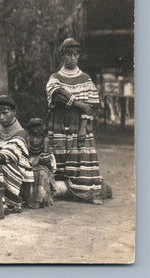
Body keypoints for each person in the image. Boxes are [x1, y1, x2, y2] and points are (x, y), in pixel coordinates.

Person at [46, 38, 103, 205]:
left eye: (75, 54)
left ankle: (85, 192)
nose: (72, 58)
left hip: (79, 124)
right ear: (63, 55)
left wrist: (84, 127)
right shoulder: (55, 77)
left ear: (79, 56)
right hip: (59, 121)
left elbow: (91, 106)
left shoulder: (85, 79)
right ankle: (59, 189)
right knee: (58, 155)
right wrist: (78, 104)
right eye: (69, 54)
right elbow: (57, 95)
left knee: (80, 153)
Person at [24, 118, 57, 208]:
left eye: (38, 137)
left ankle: (40, 200)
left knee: (41, 173)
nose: (34, 140)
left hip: (44, 170)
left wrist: (45, 146)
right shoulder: (27, 145)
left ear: (43, 138)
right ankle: (27, 198)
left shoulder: (47, 147)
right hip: (31, 166)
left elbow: (47, 162)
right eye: (32, 136)